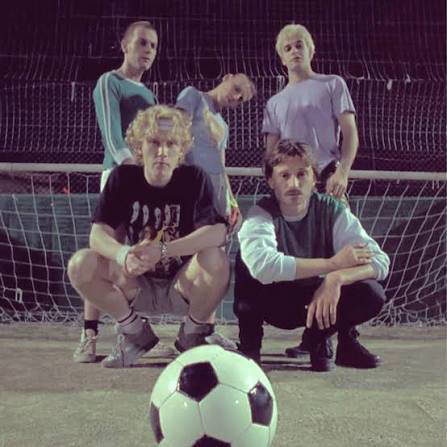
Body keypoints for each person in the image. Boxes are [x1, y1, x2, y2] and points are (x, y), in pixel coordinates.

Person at [68, 105, 236, 368]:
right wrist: (124, 255)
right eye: (154, 142)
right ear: (139, 146)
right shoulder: (123, 178)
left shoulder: (194, 178)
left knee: (216, 258)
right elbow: (98, 235)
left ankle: (192, 335)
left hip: (182, 286)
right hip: (137, 284)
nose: (162, 152)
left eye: (171, 144)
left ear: (181, 150)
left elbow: (217, 232)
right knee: (81, 264)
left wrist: (164, 250)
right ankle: (135, 334)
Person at [234, 140, 389, 371]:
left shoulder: (332, 211)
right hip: (274, 301)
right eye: (285, 175)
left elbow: (380, 261)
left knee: (371, 292)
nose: (294, 184)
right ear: (271, 181)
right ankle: (250, 346)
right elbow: (263, 267)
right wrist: (332, 264)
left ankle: (319, 339)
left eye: (302, 174)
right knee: (246, 261)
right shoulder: (260, 215)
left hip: (316, 300)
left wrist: (336, 278)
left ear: (314, 178)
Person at [263, 23, 360, 356]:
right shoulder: (275, 102)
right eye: (287, 47)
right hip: (293, 184)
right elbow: (271, 151)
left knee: (342, 252)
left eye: (299, 44)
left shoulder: (332, 84)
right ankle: (314, 337)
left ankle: (348, 337)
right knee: (306, 255)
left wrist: (342, 171)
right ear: (281, 57)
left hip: (327, 176)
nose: (294, 51)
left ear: (311, 49)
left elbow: (350, 133)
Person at [73, 21, 159, 362]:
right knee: (105, 256)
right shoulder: (109, 81)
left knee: (130, 258)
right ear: (125, 46)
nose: (148, 50)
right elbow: (112, 137)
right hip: (120, 177)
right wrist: (132, 172)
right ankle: (89, 334)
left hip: (144, 181)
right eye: (142, 43)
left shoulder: (150, 95)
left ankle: (127, 333)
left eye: (153, 45)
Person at [176, 74, 256, 229]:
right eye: (236, 89)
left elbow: (221, 167)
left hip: (215, 195)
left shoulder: (223, 126)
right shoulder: (193, 95)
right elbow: (175, 135)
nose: (236, 97)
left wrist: (231, 201)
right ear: (226, 78)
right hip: (189, 187)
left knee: (216, 238)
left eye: (241, 99)